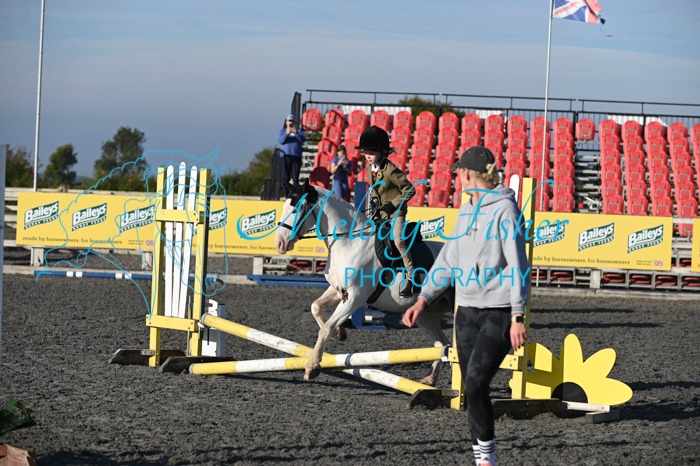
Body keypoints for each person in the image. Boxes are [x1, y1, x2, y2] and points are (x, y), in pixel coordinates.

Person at [402, 146, 530, 466]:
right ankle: (482, 458)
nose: (457, 177)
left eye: (458, 172)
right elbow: (448, 259)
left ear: (467, 174)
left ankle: (487, 459)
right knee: (473, 391)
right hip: (466, 312)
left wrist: (517, 315)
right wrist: (423, 299)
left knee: (475, 382)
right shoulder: (466, 209)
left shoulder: (506, 211)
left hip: (499, 313)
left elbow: (518, 265)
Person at [356, 125, 415, 298]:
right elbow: (376, 189)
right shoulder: (369, 167)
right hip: (381, 211)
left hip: (396, 212)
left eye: (371, 153)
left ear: (382, 152)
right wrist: (375, 205)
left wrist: (393, 204)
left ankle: (410, 276)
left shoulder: (390, 170)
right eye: (365, 153)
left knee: (398, 240)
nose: (367, 156)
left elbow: (410, 189)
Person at [277, 114, 306, 192]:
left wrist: (296, 133)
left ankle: (295, 193)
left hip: (296, 156)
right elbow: (281, 141)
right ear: (286, 122)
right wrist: (287, 133)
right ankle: (286, 194)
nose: (291, 122)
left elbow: (303, 140)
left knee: (295, 177)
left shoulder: (299, 132)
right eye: (289, 121)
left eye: (292, 121)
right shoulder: (282, 131)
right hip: (285, 156)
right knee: (285, 176)